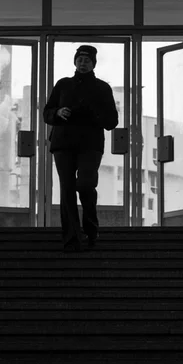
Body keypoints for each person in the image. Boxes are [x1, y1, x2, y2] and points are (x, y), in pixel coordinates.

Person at [43, 45, 119, 252]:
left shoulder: (103, 88)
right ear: (75, 62)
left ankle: (90, 227)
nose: (82, 63)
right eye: (79, 59)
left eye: (87, 60)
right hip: (63, 143)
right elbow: (47, 112)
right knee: (67, 189)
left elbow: (112, 120)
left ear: (94, 63)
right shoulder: (63, 84)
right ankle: (72, 239)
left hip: (90, 144)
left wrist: (93, 113)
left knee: (86, 184)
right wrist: (58, 112)